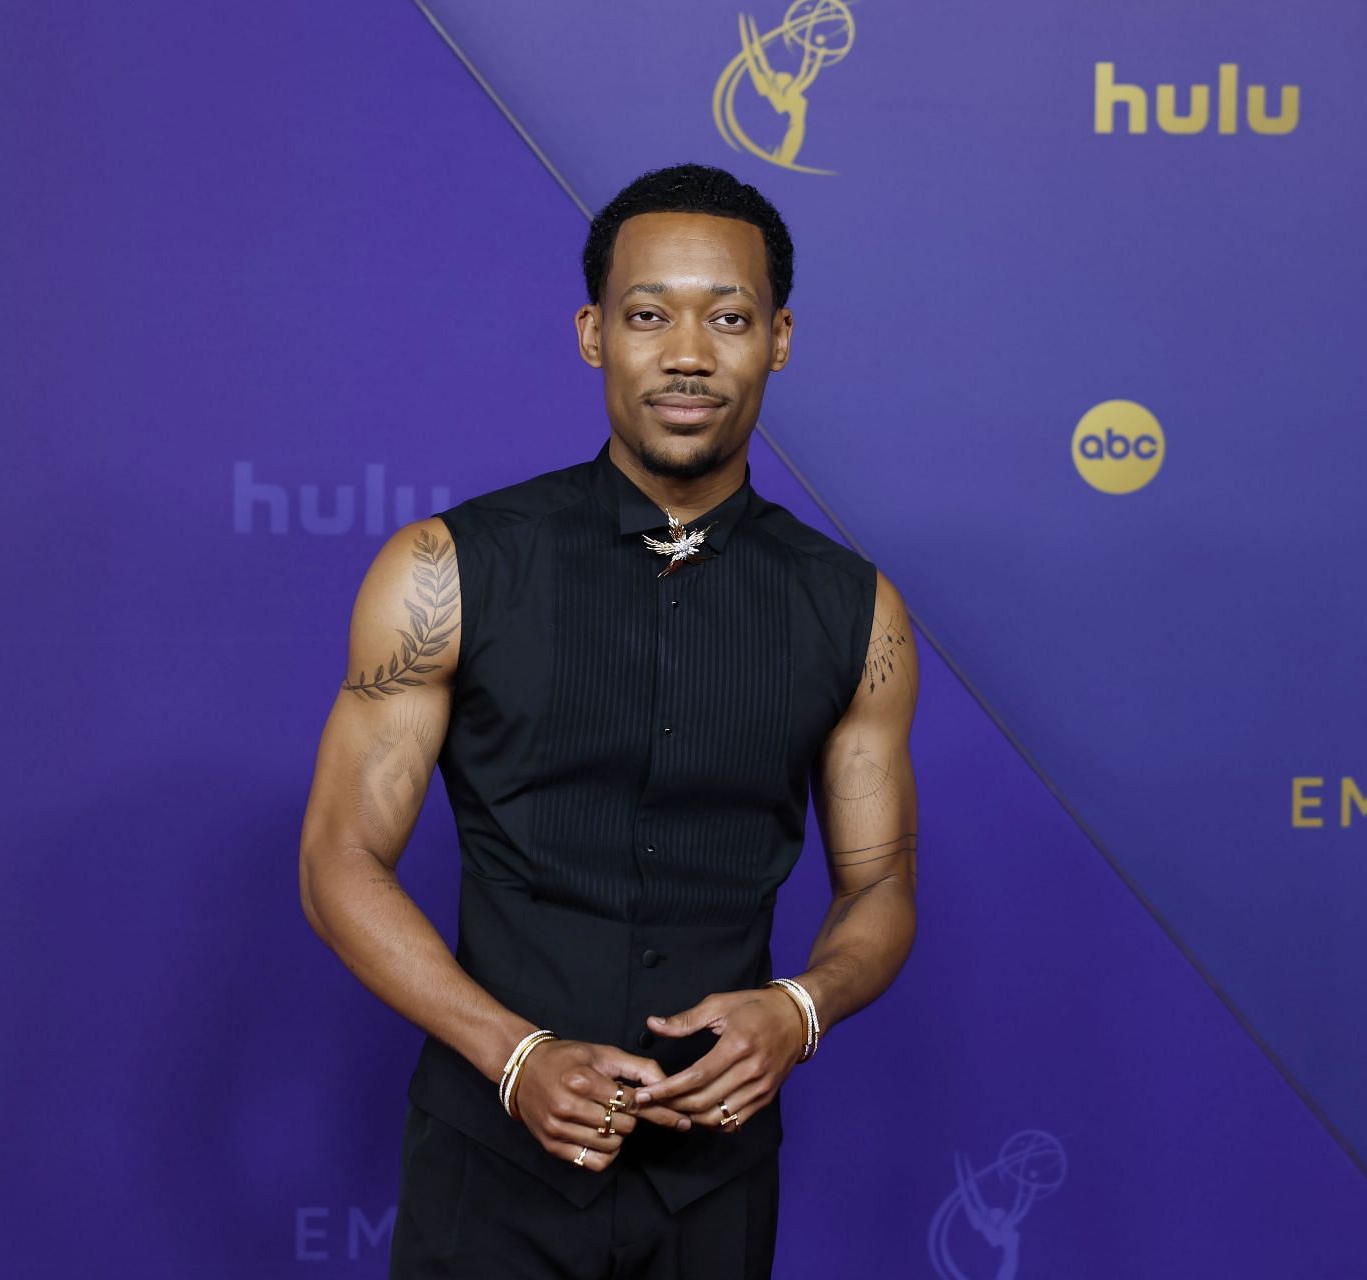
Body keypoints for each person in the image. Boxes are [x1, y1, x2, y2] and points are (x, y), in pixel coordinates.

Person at [298, 162, 919, 1278]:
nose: (688, 352)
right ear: (594, 333)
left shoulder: (855, 606)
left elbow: (880, 884)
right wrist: (513, 1052)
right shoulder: (447, 569)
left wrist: (802, 1009)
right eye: (648, 315)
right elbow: (338, 861)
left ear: (779, 337)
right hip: (491, 1168)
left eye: (729, 317)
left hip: (716, 1185)